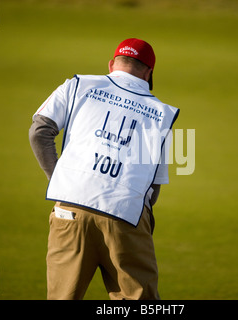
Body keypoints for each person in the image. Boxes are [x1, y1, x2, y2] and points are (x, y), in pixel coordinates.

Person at [29, 38, 179, 300]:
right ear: (148, 73)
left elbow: (39, 132)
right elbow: (153, 189)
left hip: (69, 211)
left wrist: (64, 182)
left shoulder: (77, 84)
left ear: (112, 64)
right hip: (125, 217)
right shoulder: (161, 113)